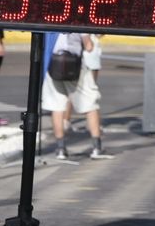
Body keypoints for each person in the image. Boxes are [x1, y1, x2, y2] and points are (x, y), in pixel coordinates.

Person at [42, 32, 114, 162]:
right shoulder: (77, 18)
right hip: (74, 65)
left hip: (53, 65)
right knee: (91, 104)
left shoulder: (53, 21)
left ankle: (60, 148)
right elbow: (89, 46)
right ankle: (97, 147)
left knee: (56, 106)